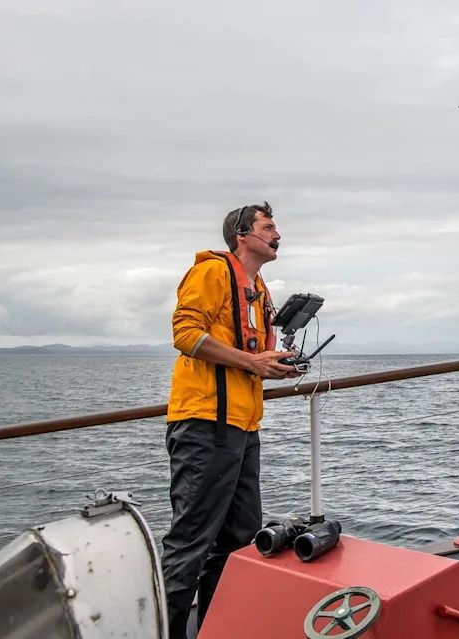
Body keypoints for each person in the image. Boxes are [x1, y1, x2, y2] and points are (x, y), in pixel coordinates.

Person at [161, 202, 298, 639]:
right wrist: (253, 362)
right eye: (268, 227)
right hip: (205, 423)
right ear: (243, 234)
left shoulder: (257, 289)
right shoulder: (212, 272)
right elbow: (185, 333)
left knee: (239, 540)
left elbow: (250, 354)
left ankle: (213, 631)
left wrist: (274, 364)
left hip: (243, 426)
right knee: (191, 541)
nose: (277, 235)